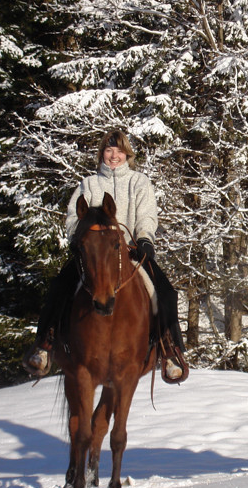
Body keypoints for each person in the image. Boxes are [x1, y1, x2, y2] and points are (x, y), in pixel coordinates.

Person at [22, 130, 187, 383]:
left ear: (127, 155)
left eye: (119, 151)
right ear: (102, 154)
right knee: (59, 286)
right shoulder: (88, 184)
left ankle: (169, 350)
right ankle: (44, 344)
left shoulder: (138, 181)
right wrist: (80, 240)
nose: (114, 156)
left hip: (129, 251)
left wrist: (144, 238)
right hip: (93, 254)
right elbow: (72, 218)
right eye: (109, 151)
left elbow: (146, 214)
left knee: (164, 291)